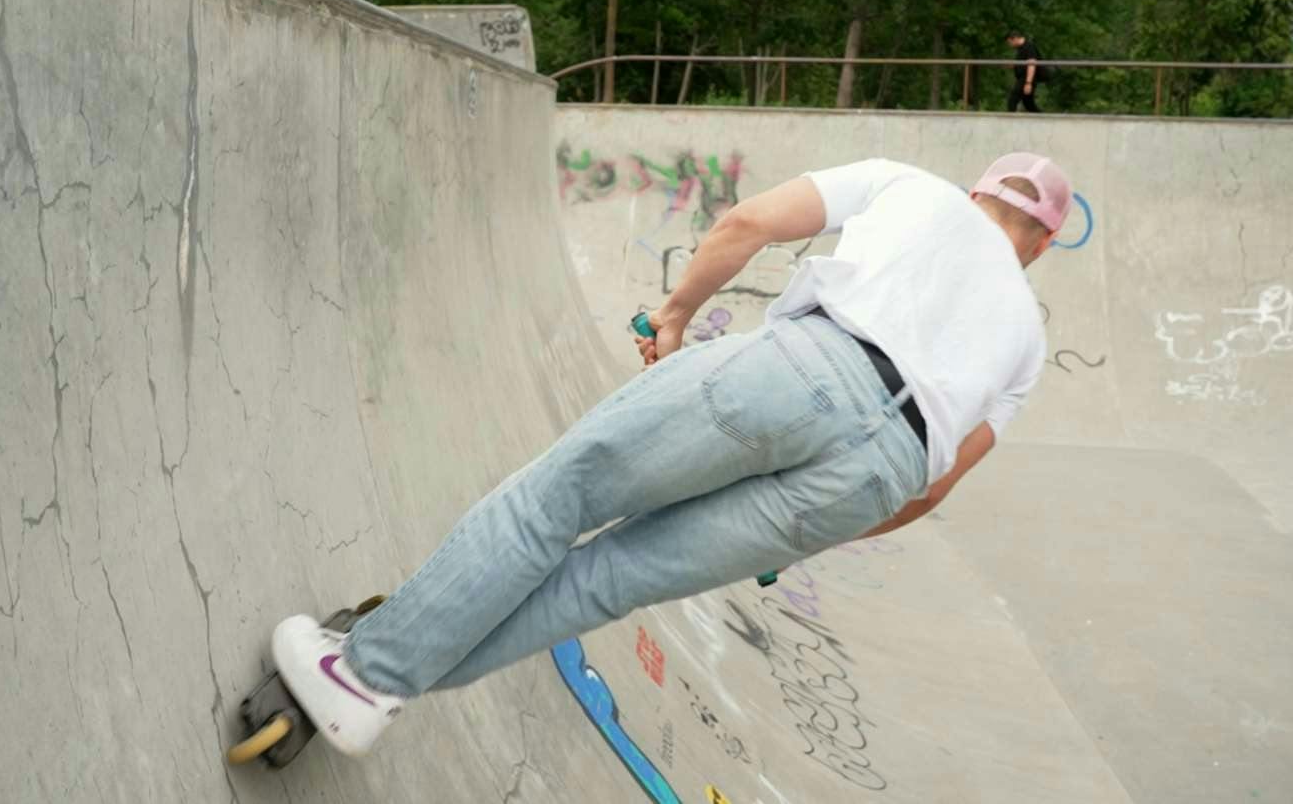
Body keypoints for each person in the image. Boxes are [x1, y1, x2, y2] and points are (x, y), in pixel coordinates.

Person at [271, 152, 1072, 756]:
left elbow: (745, 225)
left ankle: (364, 674)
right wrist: (810, 535)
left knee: (559, 495)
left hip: (805, 373)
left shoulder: (913, 187)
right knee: (612, 579)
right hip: (879, 473)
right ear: (1040, 244)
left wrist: (677, 313)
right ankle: (394, 673)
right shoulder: (1027, 341)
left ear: (979, 195)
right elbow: (932, 494)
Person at [1005, 31, 1044, 112]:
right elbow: (1023, 64)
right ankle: (1045, 119)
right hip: (1024, 78)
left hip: (1027, 78)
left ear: (1015, 39)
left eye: (1010, 43)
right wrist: (1013, 65)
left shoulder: (1029, 47)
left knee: (1012, 100)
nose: (1010, 45)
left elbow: (1031, 65)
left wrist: (1028, 83)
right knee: (1028, 104)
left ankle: (1009, 122)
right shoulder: (1021, 49)